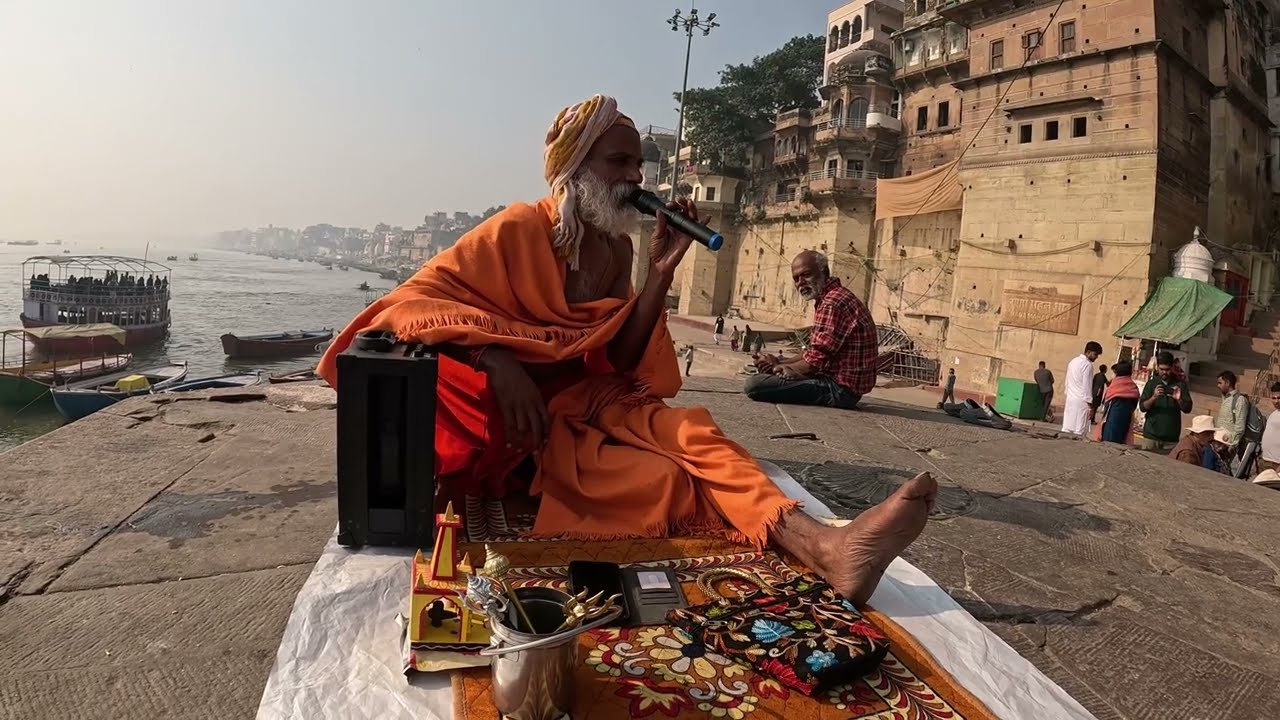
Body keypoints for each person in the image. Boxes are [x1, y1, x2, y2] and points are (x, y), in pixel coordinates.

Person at [316, 94, 936, 603]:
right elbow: (408, 308)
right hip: (517, 423)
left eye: (639, 164)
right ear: (576, 168)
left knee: (691, 440)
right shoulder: (517, 229)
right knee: (663, 483)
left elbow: (616, 359)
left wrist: (660, 273)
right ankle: (816, 545)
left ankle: (828, 548)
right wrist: (495, 358)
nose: (636, 177)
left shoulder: (617, 250)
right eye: (619, 162)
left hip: (588, 406)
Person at [744, 250, 878, 410]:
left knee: (754, 384)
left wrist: (776, 368)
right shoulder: (832, 297)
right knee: (766, 377)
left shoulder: (831, 303)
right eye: (796, 279)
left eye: (806, 275)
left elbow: (815, 362)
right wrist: (780, 363)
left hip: (839, 390)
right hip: (838, 383)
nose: (801, 282)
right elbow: (814, 351)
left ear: (824, 272)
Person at [1139, 350, 1193, 452]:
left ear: (1172, 367)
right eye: (1162, 369)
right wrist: (1154, 397)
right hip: (1151, 436)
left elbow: (1188, 409)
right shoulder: (1151, 384)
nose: (1164, 372)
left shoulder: (1180, 384)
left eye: (1167, 369)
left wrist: (1178, 400)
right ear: (1157, 367)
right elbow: (1142, 407)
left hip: (1171, 438)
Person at [1061, 342, 1102, 436]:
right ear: (1088, 352)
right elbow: (1087, 386)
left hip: (1070, 399)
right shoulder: (1087, 365)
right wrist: (1090, 405)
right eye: (1095, 354)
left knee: (1067, 427)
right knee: (1079, 431)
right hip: (1081, 402)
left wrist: (1067, 394)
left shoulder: (1073, 361)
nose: (1096, 357)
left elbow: (1067, 382)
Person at [1099, 361, 1140, 444]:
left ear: (1117, 373)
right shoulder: (1133, 386)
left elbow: (1106, 403)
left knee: (1108, 442)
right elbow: (1135, 403)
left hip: (1112, 420)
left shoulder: (1115, 385)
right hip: (1126, 419)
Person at [1214, 370, 1247, 453]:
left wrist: (1231, 445)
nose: (1218, 386)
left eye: (1220, 383)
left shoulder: (1239, 400)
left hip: (1228, 445)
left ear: (1228, 383)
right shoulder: (1225, 398)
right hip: (1218, 442)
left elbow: (1240, 426)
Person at [1259, 381, 1280, 472]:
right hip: (1266, 460)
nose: (1276, 401)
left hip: (1277, 463)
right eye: (1274, 398)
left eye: (1279, 398)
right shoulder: (1274, 414)